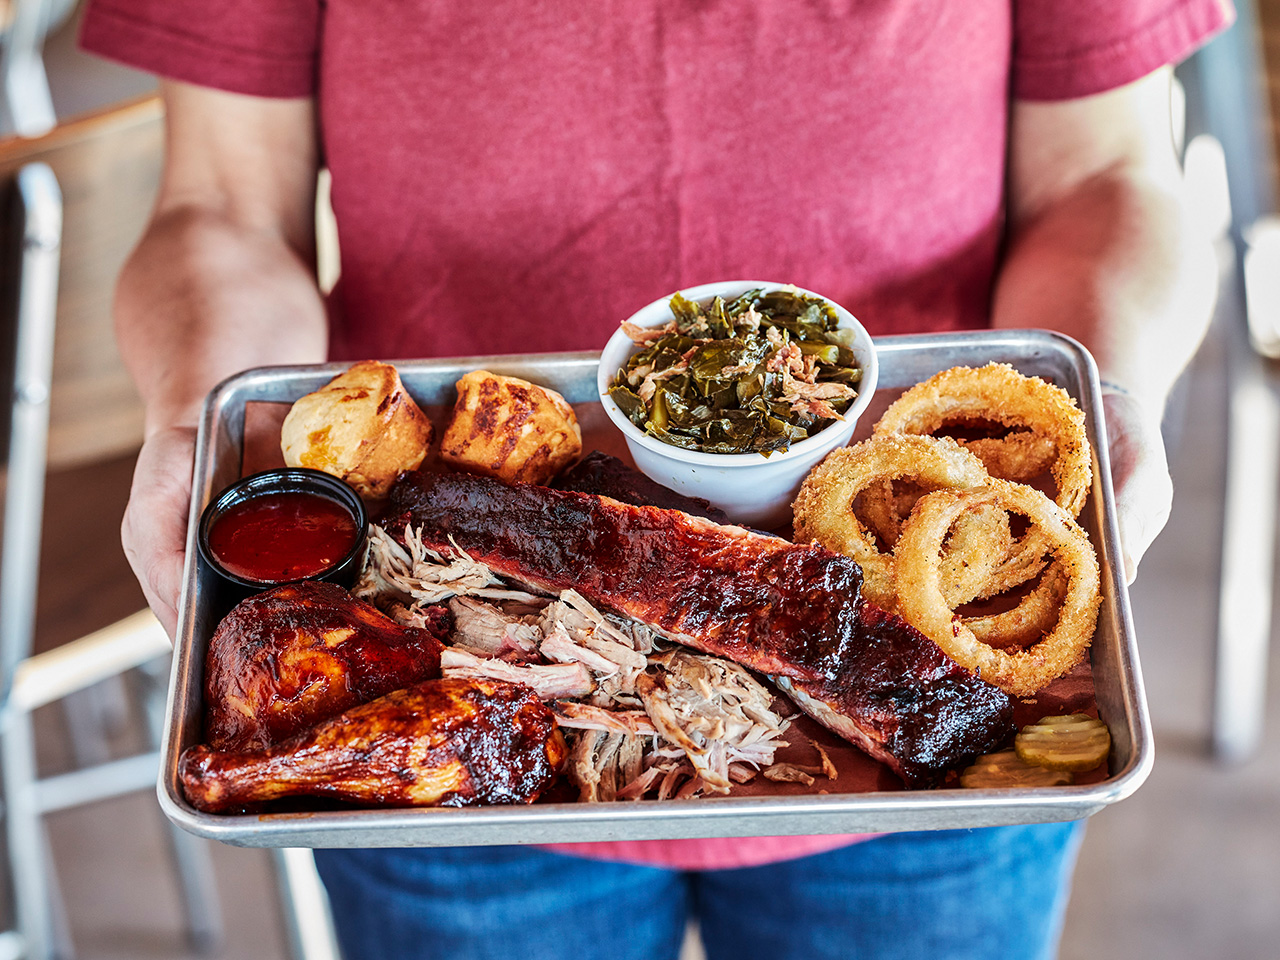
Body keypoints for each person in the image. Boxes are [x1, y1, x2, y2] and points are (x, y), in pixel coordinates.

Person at [80, 2, 1231, 959]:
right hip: (436, 727)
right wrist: (195, 414)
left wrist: (1110, 392)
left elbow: (1107, 177)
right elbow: (221, 207)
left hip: (934, 730)